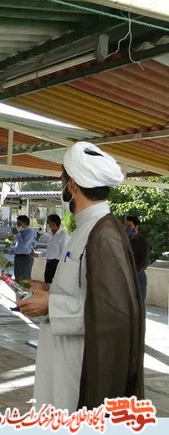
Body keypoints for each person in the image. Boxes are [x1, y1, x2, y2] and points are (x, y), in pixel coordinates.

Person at [18, 141, 144, 412]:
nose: (61, 184)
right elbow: (87, 287)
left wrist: (51, 305)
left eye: (62, 179)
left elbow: (114, 311)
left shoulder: (104, 234)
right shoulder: (88, 227)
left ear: (73, 185)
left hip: (78, 363)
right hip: (62, 355)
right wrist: (49, 288)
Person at [125, 215, 151, 304]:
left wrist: (133, 274)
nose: (127, 228)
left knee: (139, 304)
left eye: (129, 226)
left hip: (138, 277)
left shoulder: (143, 242)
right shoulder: (125, 241)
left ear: (136, 227)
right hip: (125, 276)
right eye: (126, 226)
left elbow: (144, 263)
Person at [5, 215, 36, 281]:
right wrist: (9, 251)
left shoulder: (30, 232)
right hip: (18, 257)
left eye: (19, 223)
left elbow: (24, 245)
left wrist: (17, 234)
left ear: (25, 223)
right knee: (18, 279)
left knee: (24, 279)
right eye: (17, 223)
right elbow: (18, 247)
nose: (17, 225)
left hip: (25, 258)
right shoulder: (21, 232)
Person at [43, 214, 69, 284]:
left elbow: (64, 251)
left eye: (48, 222)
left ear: (54, 223)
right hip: (49, 262)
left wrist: (63, 265)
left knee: (55, 283)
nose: (47, 224)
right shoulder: (51, 234)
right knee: (47, 282)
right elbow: (50, 249)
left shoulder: (63, 235)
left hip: (57, 263)